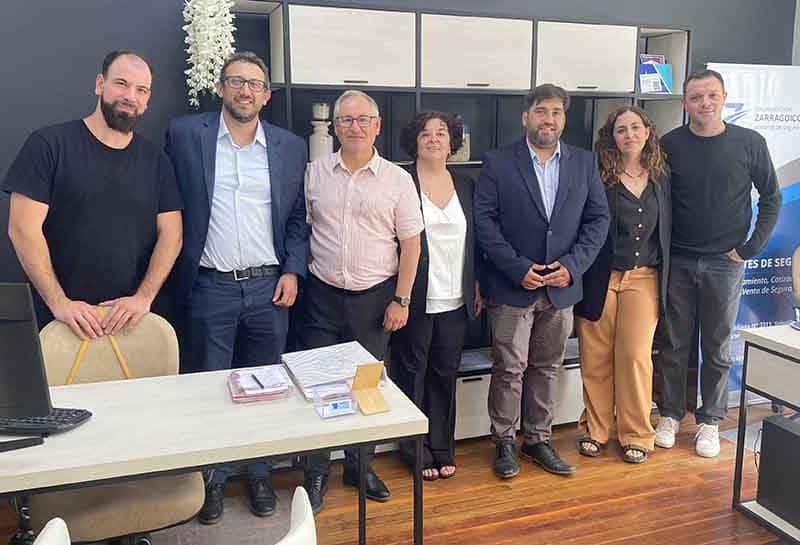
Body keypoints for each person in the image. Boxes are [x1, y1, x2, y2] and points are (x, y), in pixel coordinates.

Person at [165, 51, 309, 524]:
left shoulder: (290, 146)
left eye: (255, 84)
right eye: (237, 81)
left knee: (265, 387)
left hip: (270, 288)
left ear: (267, 95)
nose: (246, 90)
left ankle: (259, 473)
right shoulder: (186, 135)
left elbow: (297, 218)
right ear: (221, 88)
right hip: (211, 287)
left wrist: (292, 270)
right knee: (211, 390)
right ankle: (213, 479)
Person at [474, 83, 609, 479]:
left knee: (548, 366)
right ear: (526, 117)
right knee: (509, 367)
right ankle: (504, 441)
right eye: (541, 111)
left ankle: (537, 439)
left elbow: (598, 220)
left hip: (562, 285)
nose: (548, 119)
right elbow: (485, 223)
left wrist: (573, 265)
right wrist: (518, 268)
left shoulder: (584, 163)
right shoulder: (498, 162)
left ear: (564, 119)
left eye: (556, 112)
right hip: (513, 285)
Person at [4, 50, 182, 339]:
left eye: (141, 90)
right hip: (58, 323)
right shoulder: (49, 145)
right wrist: (60, 303)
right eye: (121, 83)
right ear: (100, 84)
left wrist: (143, 298)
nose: (130, 96)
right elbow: (22, 229)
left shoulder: (156, 161)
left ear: (148, 100)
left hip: (129, 325)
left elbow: (172, 235)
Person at [302, 90, 423, 511]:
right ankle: (316, 472)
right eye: (346, 120)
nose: (354, 127)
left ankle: (359, 465)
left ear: (377, 126)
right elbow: (304, 228)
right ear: (335, 127)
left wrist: (401, 300)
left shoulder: (397, 180)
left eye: (362, 120)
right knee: (319, 387)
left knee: (366, 388)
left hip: (375, 300)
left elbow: (411, 245)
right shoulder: (314, 173)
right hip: (321, 297)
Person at [654, 69, 782, 458]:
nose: (704, 103)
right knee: (674, 343)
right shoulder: (669, 144)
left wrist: (750, 248)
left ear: (724, 98)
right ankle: (670, 414)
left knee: (716, 345)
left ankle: (710, 420)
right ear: (684, 103)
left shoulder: (750, 142)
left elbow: (772, 198)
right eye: (696, 97)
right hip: (678, 260)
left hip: (726, 263)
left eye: (711, 95)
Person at [573, 106, 671, 464]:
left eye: (635, 127)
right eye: (621, 129)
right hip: (599, 277)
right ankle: (596, 430)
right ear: (611, 137)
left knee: (635, 356)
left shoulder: (662, 176)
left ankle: (637, 434)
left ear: (647, 132)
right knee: (595, 356)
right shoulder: (597, 174)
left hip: (644, 276)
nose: (629, 135)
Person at [390, 111, 482, 481]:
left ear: (451, 142)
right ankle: (414, 448)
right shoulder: (401, 182)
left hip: (455, 297)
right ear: (414, 142)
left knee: (445, 374)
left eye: (441, 133)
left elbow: (476, 241)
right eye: (425, 133)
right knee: (411, 374)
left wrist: (476, 283)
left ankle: (442, 446)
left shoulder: (466, 184)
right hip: (414, 296)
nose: (433, 139)